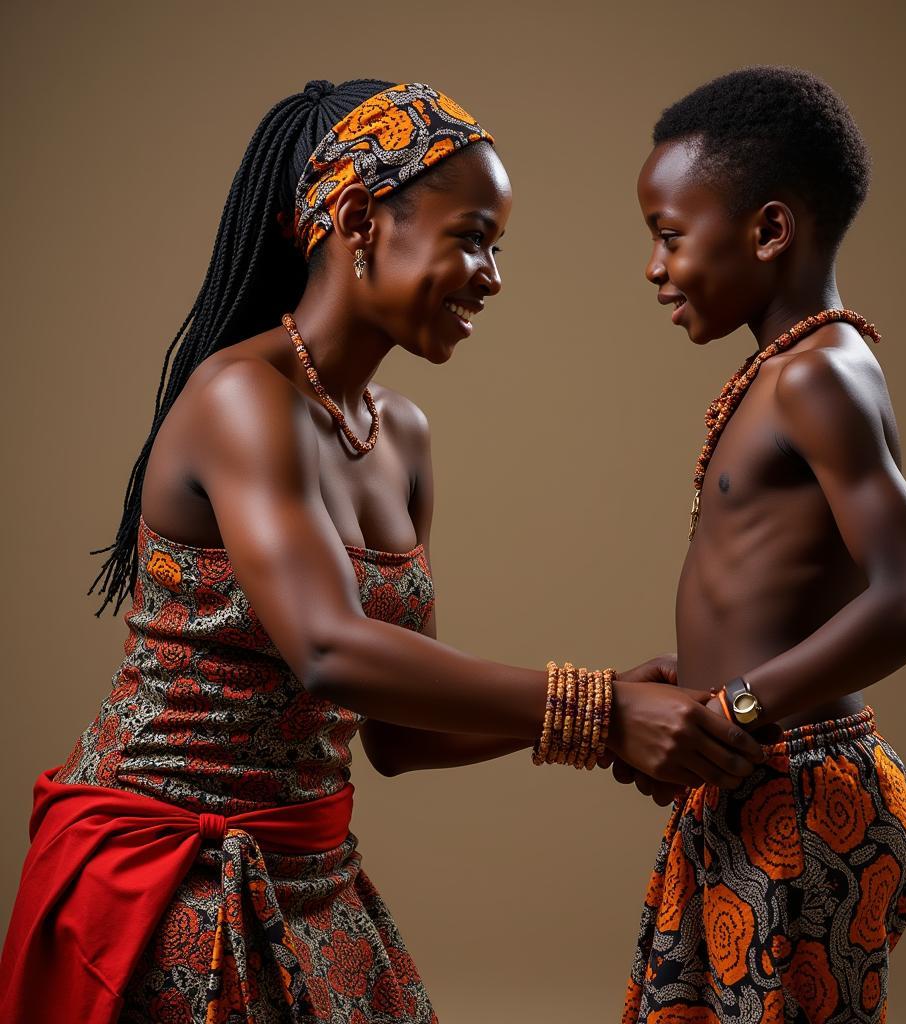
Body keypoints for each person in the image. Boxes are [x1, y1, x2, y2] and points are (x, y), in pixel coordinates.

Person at [0, 79, 767, 1024]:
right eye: (474, 235)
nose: (493, 274)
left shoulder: (398, 435)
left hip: (311, 867)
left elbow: (400, 734)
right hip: (171, 878)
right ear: (362, 218)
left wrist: (611, 702)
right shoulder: (241, 398)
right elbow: (329, 649)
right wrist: (602, 709)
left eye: (499, 246)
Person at [618, 67, 906, 1024]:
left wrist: (734, 704)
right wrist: (697, 683)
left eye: (670, 236)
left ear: (769, 231)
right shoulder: (783, 369)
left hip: (805, 799)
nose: (653, 267)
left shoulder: (820, 376)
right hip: (751, 781)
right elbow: (788, 589)